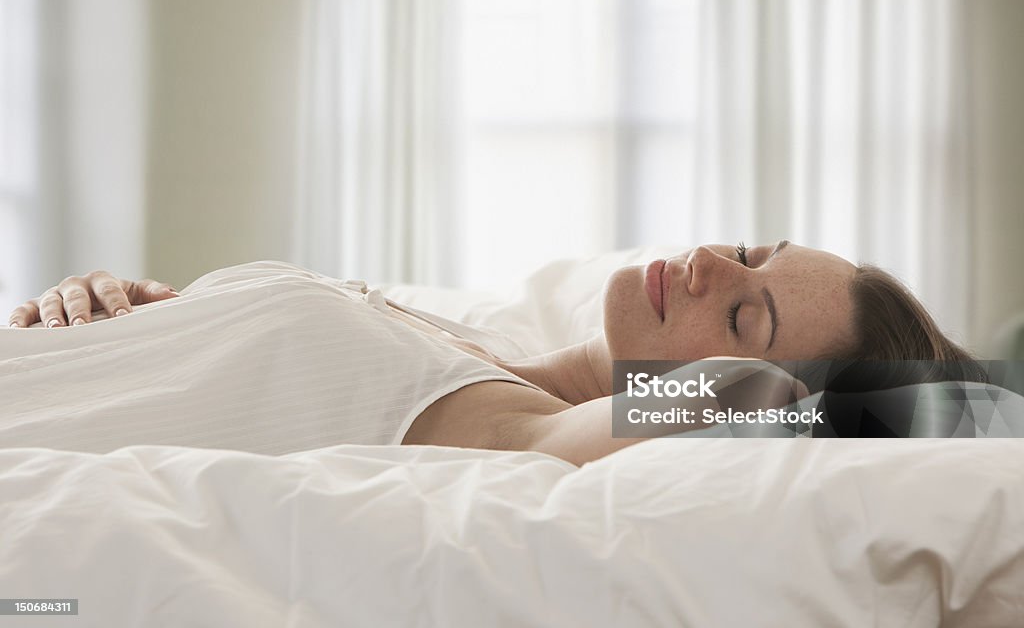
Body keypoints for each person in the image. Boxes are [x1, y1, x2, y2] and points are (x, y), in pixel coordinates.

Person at [4, 241, 984, 464]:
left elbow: (759, 400)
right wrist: (120, 309)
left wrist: (870, 402)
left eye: (743, 315)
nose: (701, 265)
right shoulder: (471, 343)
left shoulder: (506, 429)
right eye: (743, 252)